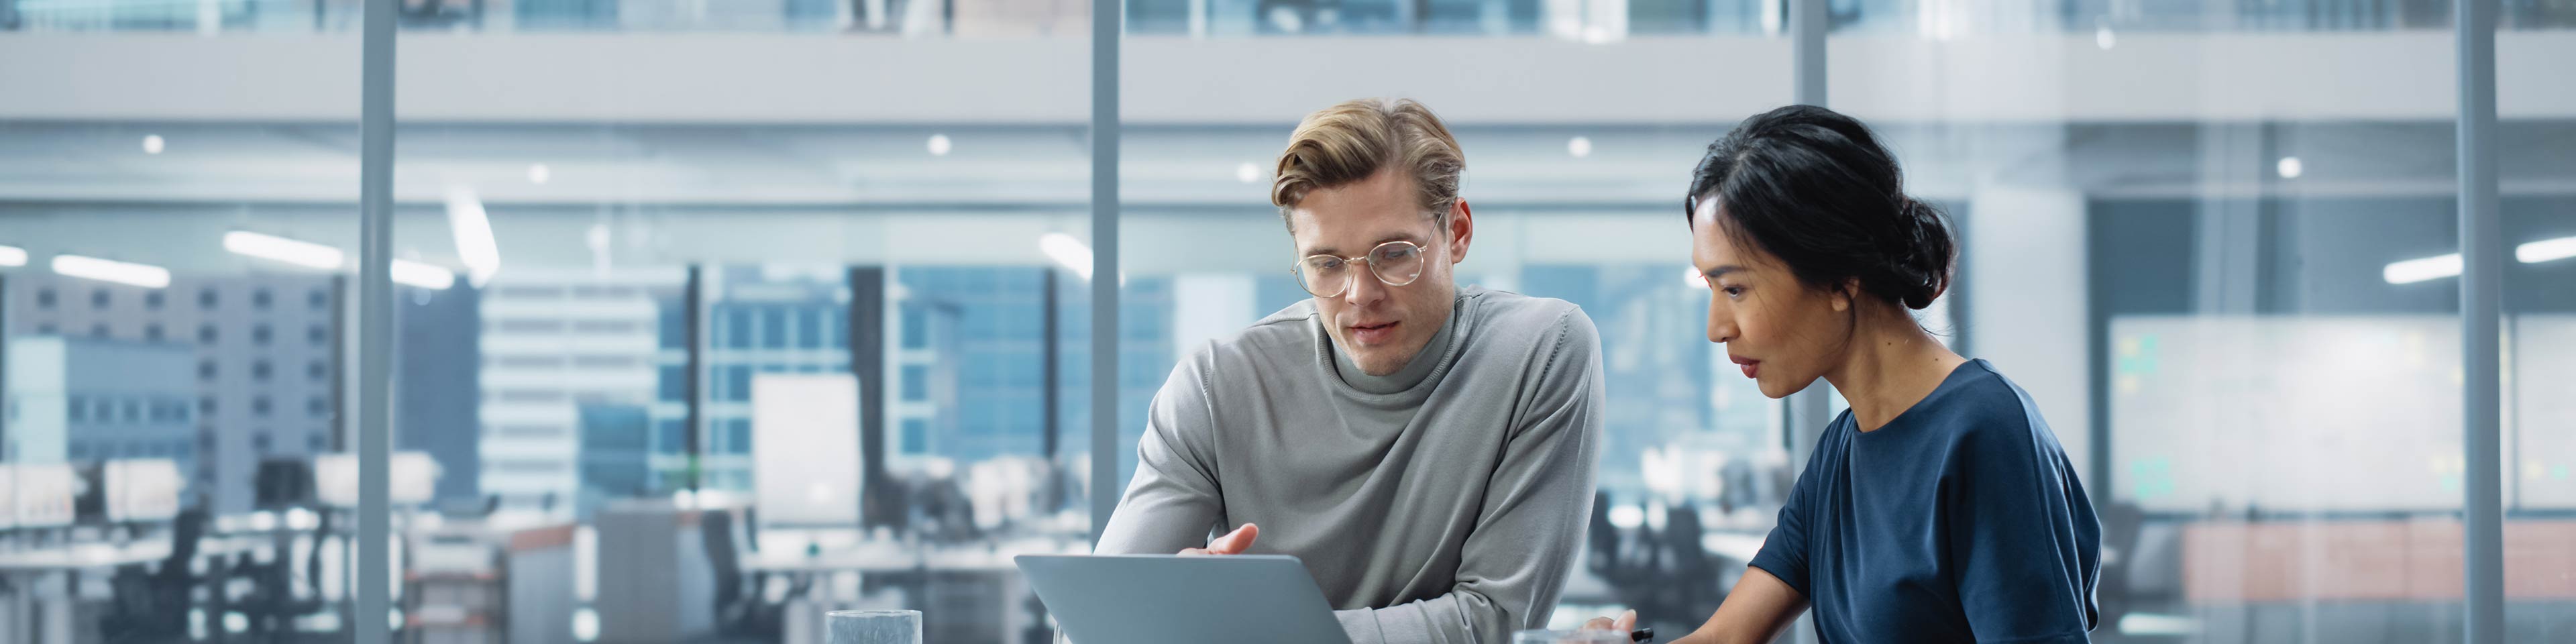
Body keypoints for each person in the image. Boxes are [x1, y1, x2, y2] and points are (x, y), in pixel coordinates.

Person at [1093, 97, 1606, 643]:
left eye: (1393, 254)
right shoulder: (1215, 385)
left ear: (1456, 232)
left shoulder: (1542, 351)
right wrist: (1167, 608)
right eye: (1327, 264)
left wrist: (1240, 630)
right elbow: (1093, 625)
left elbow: (1495, 622)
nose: (1360, 295)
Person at [1587, 104, 2101, 643]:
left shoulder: (1984, 430)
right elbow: (1725, 638)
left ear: (1838, 278)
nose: (1717, 328)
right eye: (1711, 289)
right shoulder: (1842, 451)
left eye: (1735, 288)